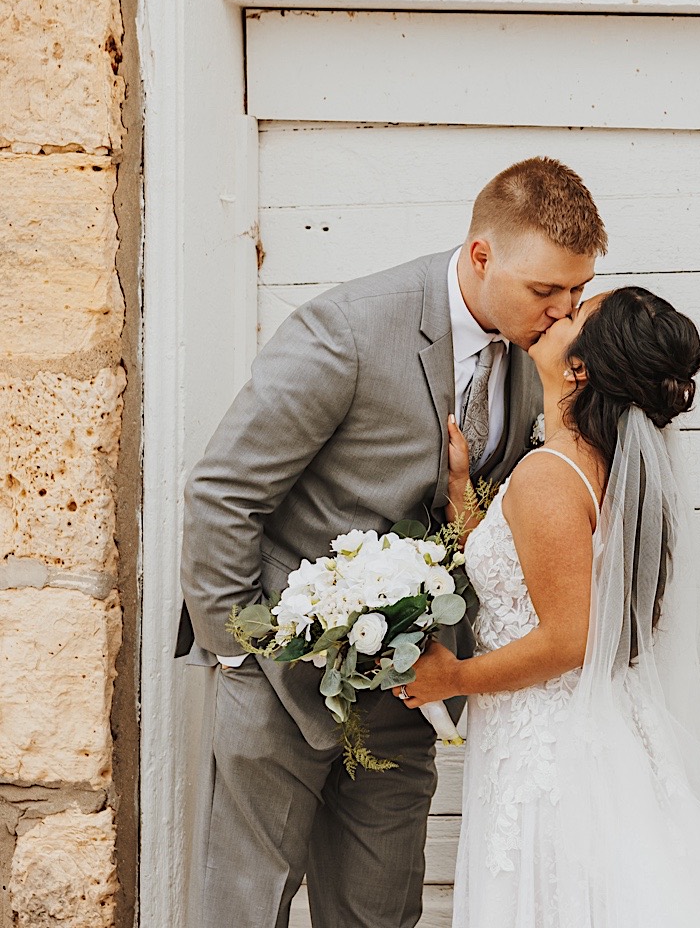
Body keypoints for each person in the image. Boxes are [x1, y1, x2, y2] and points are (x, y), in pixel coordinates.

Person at [178, 157, 606, 927]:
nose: (562, 312)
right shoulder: (347, 328)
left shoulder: (532, 362)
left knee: (380, 912)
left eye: (576, 292)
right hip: (278, 679)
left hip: (408, 690)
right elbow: (224, 490)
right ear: (482, 254)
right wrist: (241, 652)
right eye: (546, 290)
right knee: (244, 908)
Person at [400, 286, 700, 927]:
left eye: (575, 312)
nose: (557, 310)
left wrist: (455, 677)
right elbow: (526, 574)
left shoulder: (552, 474)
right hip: (590, 730)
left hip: (554, 750)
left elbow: (568, 638)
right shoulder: (594, 467)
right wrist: (468, 497)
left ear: (579, 367)